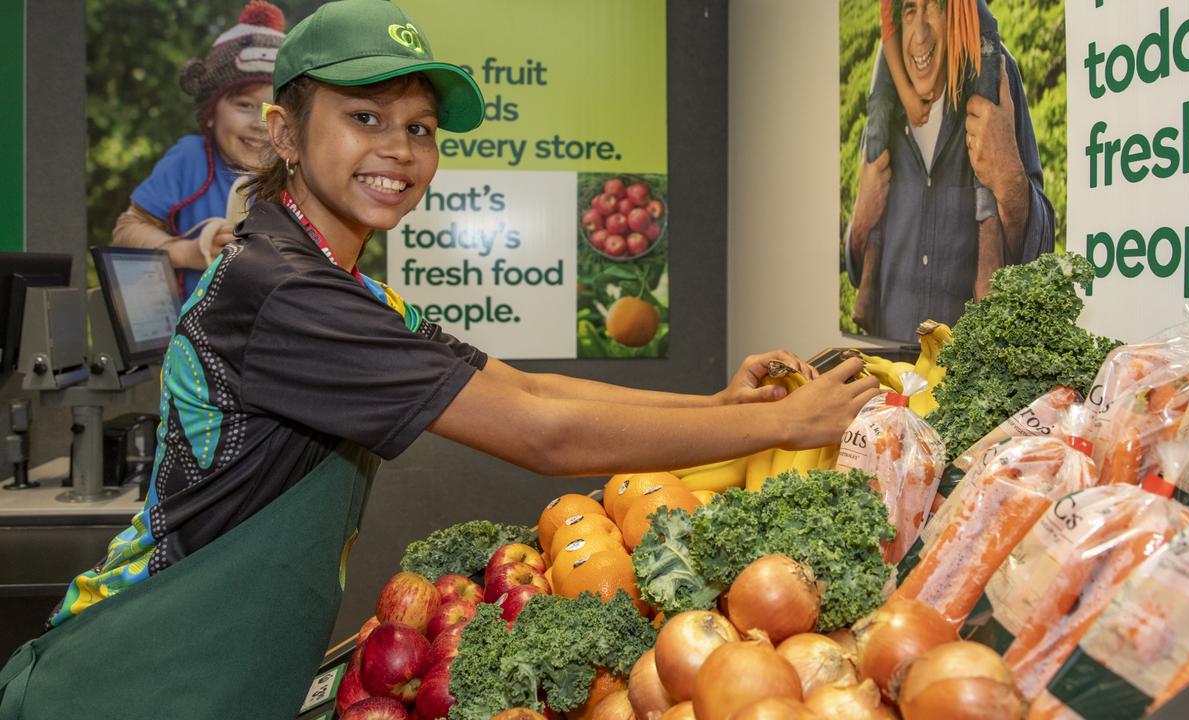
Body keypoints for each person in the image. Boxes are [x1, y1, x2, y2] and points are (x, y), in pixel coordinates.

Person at [0, 1, 880, 715]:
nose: (399, 148)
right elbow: (540, 433)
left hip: (201, 676)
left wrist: (726, 412)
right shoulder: (289, 294)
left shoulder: (322, 277)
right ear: (286, 133)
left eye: (419, 127)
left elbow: (519, 385)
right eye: (364, 117)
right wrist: (785, 421)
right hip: (133, 679)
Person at [847, 0, 1056, 341]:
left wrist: (1006, 175)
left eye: (934, 8)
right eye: (911, 10)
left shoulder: (996, 73)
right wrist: (862, 220)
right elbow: (849, 261)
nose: (920, 34)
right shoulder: (886, 92)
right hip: (889, 372)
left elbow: (1042, 254)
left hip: (970, 383)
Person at [111, 1, 285, 301]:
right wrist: (189, 252)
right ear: (210, 113)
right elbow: (127, 231)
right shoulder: (190, 159)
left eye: (272, 109)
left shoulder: (297, 172)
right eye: (244, 105)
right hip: (191, 341)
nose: (260, 124)